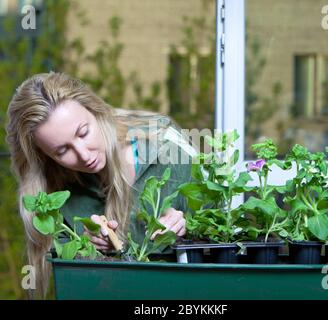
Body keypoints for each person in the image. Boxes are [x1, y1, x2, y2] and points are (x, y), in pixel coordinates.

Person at [6, 72, 197, 298]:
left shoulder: (166, 145)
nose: (84, 155)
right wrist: (84, 247)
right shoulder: (53, 188)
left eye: (83, 132)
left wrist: (188, 227)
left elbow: (222, 235)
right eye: (62, 151)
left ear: (95, 111)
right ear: (47, 157)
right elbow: (72, 281)